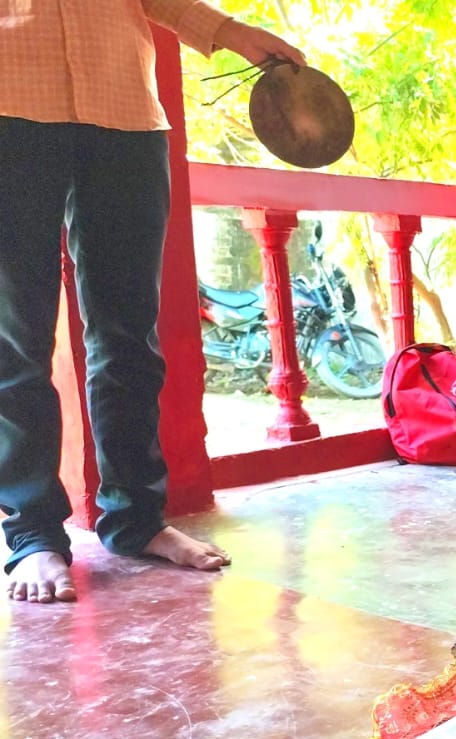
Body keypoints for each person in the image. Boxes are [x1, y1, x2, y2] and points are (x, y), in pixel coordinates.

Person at [0, 2, 305, 603]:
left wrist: (232, 34)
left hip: (124, 110)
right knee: (17, 339)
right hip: (9, 102)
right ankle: (32, 535)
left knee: (128, 335)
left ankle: (136, 519)